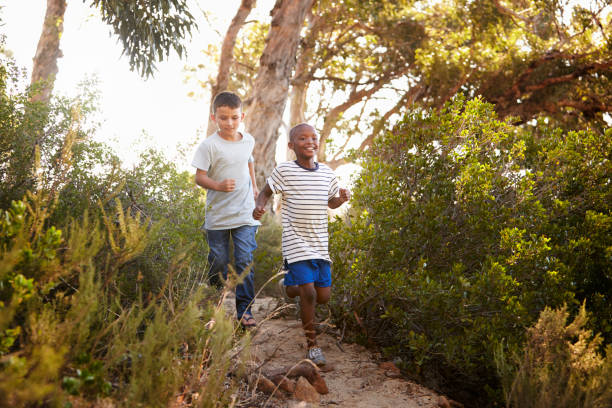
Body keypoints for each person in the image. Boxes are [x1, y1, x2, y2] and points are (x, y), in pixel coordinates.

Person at [252, 123, 350, 365]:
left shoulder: (327, 173)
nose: (309, 142)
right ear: (291, 145)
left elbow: (332, 203)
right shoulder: (284, 171)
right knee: (308, 294)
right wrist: (260, 206)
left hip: (319, 244)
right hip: (295, 242)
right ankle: (312, 345)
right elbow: (265, 192)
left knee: (322, 296)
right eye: (303, 138)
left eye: (313, 138)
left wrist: (342, 198)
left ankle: (289, 285)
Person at [192, 91, 260, 328]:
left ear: (242, 116)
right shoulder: (209, 146)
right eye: (223, 118)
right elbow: (199, 177)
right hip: (218, 217)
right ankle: (214, 310)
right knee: (218, 263)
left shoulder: (248, 140)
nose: (229, 123)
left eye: (233, 118)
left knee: (244, 261)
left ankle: (245, 312)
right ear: (214, 118)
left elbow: (249, 160)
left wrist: (254, 187)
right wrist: (218, 186)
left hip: (244, 214)